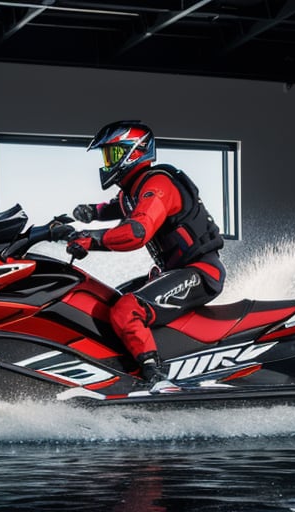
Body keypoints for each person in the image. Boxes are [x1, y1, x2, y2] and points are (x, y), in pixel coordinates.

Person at [65, 120, 226, 385]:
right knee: (108, 299)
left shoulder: (159, 184)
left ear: (134, 151)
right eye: (106, 155)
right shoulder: (134, 191)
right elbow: (111, 208)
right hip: (174, 271)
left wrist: (91, 240)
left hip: (201, 271)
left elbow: (136, 232)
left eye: (113, 153)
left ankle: (155, 376)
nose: (108, 162)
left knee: (127, 309)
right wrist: (85, 214)